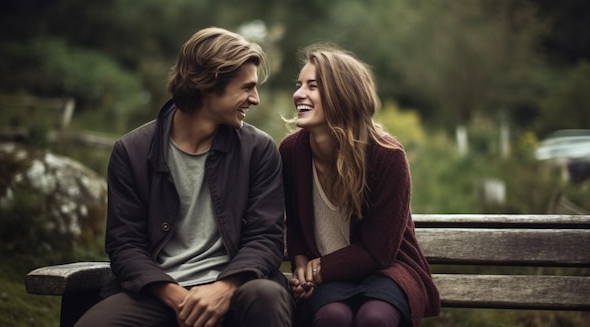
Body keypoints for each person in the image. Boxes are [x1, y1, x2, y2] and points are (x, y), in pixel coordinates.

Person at [76, 27, 292, 327]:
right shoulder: (132, 151)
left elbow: (266, 237)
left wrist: (223, 288)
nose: (254, 99)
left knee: (266, 295)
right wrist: (178, 298)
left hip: (238, 287)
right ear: (208, 85)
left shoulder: (259, 150)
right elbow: (124, 245)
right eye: (246, 87)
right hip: (159, 292)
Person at [279, 44, 440, 327]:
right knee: (333, 317)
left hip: (388, 271)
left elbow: (380, 250)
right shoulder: (291, 152)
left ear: (342, 94)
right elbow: (293, 223)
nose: (298, 94)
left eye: (312, 86)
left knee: (374, 318)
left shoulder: (386, 156)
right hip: (326, 279)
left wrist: (318, 268)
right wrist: (302, 264)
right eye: (299, 85)